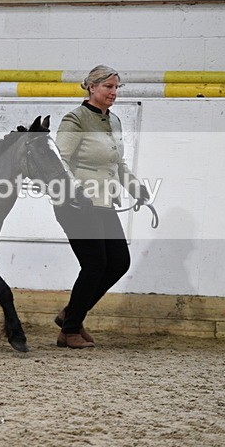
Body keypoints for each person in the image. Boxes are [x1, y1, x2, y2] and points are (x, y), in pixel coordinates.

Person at [52, 65, 150, 349]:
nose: (113, 92)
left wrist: (136, 188)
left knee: (119, 263)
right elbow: (60, 163)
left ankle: (71, 315)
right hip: (75, 203)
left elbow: (117, 165)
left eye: (116, 87)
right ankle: (70, 329)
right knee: (95, 264)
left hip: (104, 202)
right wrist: (76, 193)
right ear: (92, 87)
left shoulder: (114, 121)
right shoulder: (75, 119)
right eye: (108, 87)